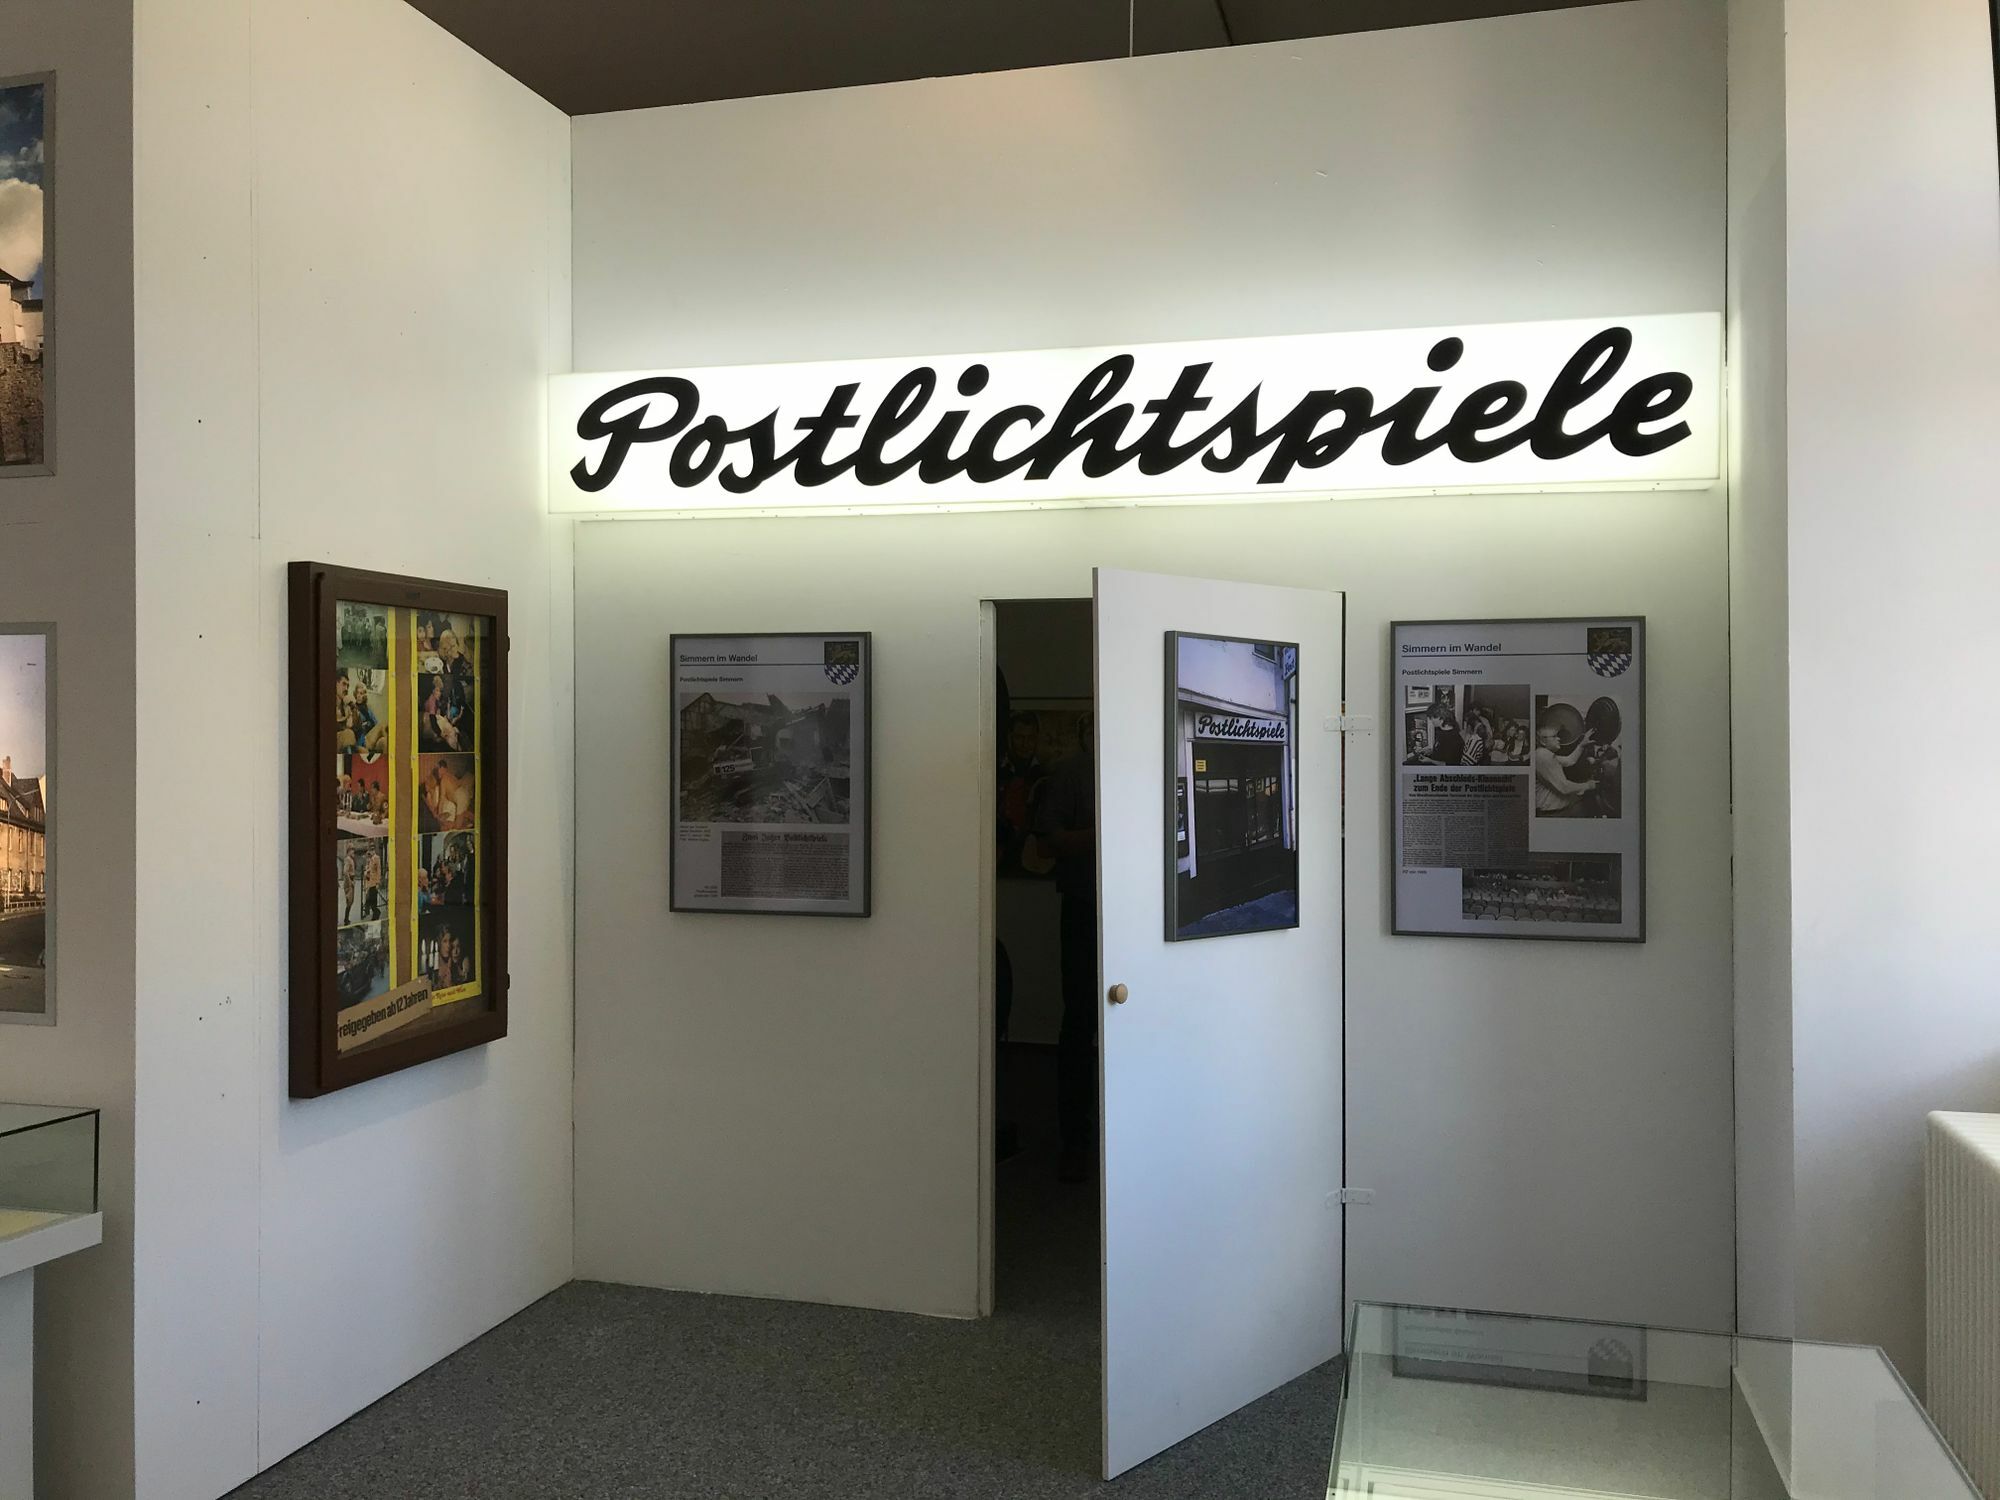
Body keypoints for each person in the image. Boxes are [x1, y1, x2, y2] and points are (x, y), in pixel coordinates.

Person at [1030, 712, 1096, 1184]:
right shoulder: (1069, 773)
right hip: (1084, 907)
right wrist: (1103, 833)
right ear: (1084, 733)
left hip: (1136, 911)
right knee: (1078, 1023)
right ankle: (1075, 1143)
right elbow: (1046, 844)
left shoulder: (1141, 761)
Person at [1534, 723, 1598, 814]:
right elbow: (1564, 787)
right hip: (1552, 812)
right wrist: (1588, 785)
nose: (1558, 738)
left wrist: (1581, 745)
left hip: (1553, 810)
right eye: (1554, 736)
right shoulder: (1543, 756)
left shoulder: (1544, 754)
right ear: (1543, 741)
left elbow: (1569, 760)